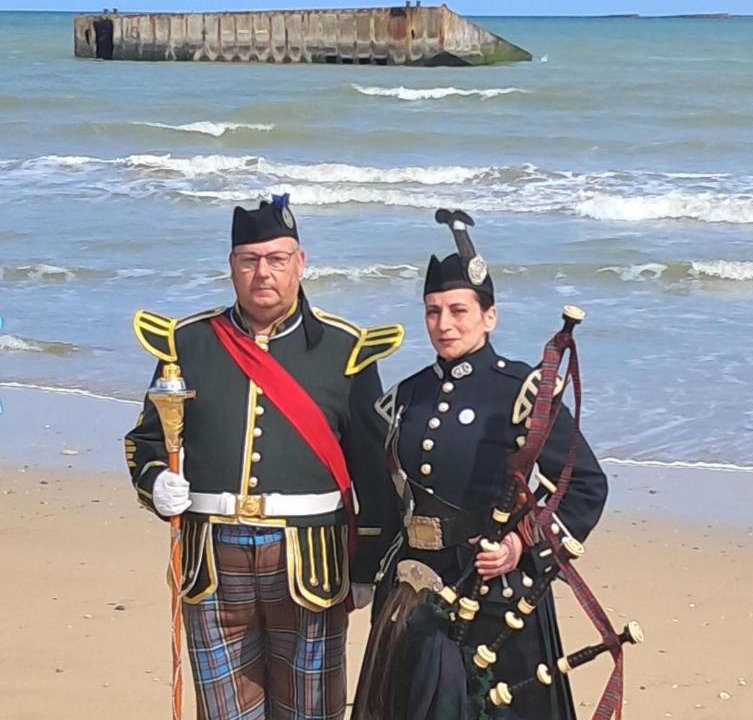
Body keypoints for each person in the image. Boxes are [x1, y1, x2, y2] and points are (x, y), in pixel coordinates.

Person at [124, 194, 402, 720]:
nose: (263, 273)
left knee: (311, 712)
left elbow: (374, 468)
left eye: (277, 259)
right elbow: (147, 441)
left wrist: (368, 564)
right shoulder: (187, 342)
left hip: (311, 563)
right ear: (232, 266)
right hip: (210, 561)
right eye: (250, 260)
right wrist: (156, 481)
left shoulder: (346, 349)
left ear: (300, 263)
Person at [353, 211, 608, 720]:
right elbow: (388, 496)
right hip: (413, 587)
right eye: (432, 311)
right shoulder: (407, 395)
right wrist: (366, 573)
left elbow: (583, 487)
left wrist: (521, 546)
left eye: (458, 310)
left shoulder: (523, 392)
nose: (444, 324)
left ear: (489, 317)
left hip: (495, 593)